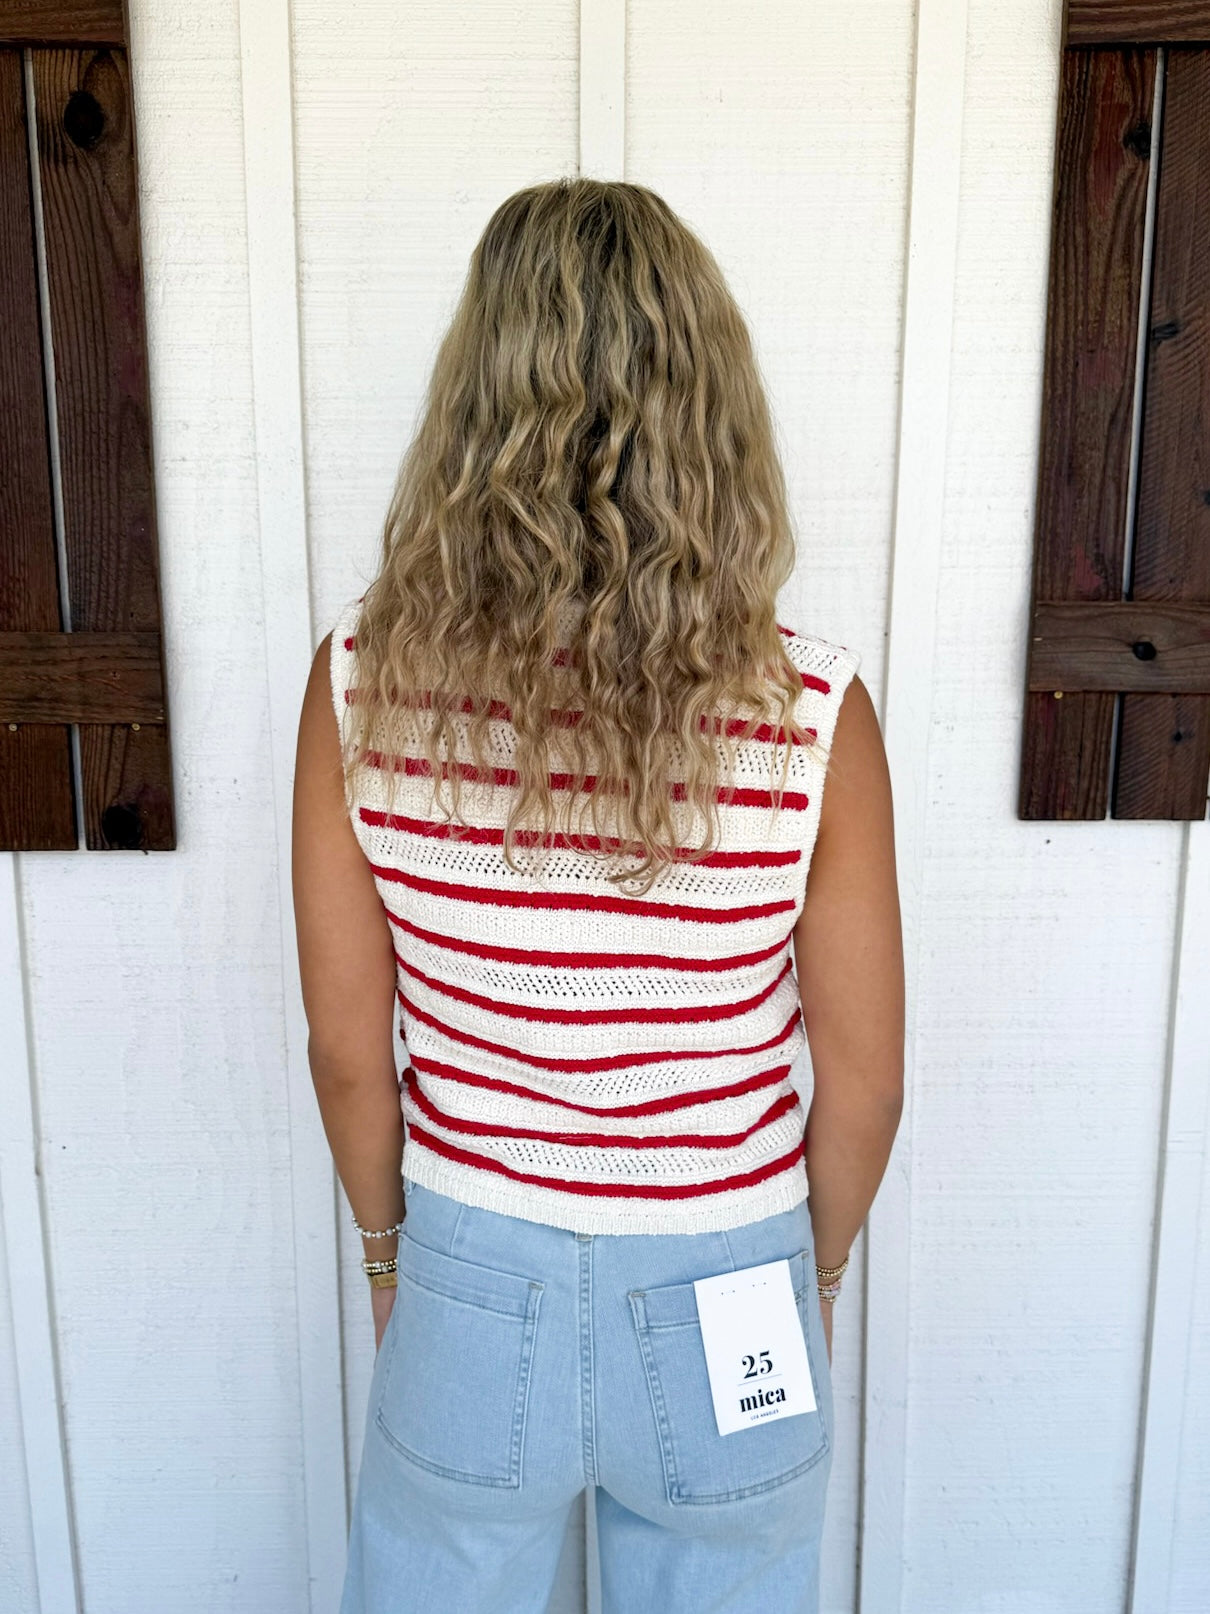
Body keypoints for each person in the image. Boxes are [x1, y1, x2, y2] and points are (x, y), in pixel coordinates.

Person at [291, 177, 904, 1614]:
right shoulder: (811, 713)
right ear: (711, 411)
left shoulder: (361, 687)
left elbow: (345, 1053)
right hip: (729, 1274)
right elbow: (867, 1084)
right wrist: (802, 1280)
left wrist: (386, 1258)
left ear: (471, 405)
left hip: (467, 1266)